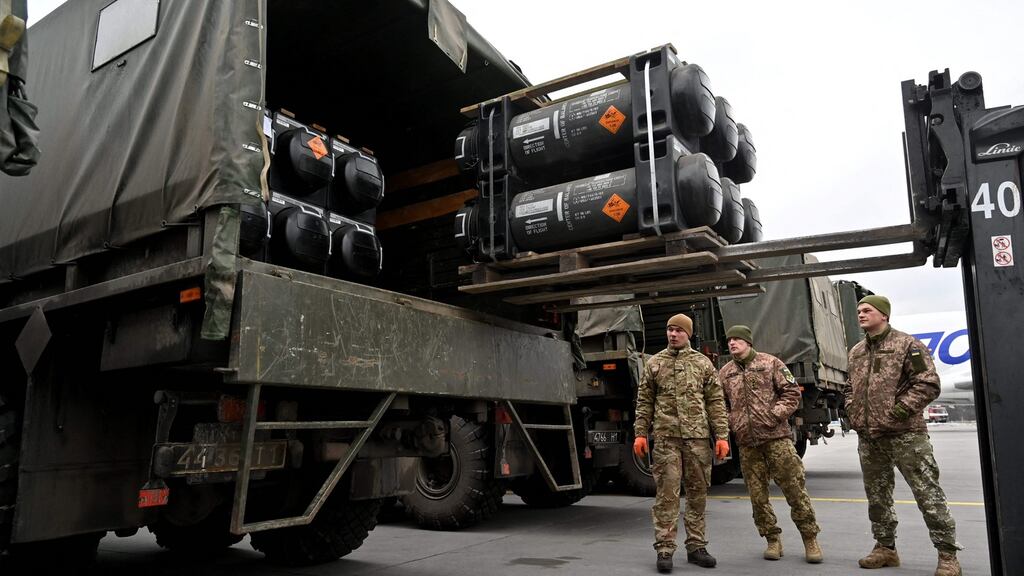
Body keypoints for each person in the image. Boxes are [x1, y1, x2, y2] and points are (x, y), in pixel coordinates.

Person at [844, 295, 961, 576]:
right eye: (859, 311)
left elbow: (928, 384)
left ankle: (947, 555)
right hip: (870, 438)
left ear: (883, 315)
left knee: (928, 494)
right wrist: (852, 410)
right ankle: (885, 548)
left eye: (867, 310)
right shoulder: (857, 351)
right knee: (877, 496)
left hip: (906, 435)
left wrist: (896, 412)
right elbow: (849, 387)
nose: (861, 314)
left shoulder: (907, 345)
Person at [633, 313, 730, 573]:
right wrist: (640, 433)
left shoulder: (703, 364)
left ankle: (696, 546)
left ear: (688, 334)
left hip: (697, 439)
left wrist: (722, 436)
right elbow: (644, 402)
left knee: (698, 494)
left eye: (678, 330)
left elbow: (716, 403)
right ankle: (664, 548)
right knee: (667, 495)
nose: (672, 334)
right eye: (669, 330)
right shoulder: (654, 364)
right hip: (666, 439)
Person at [718, 325, 823, 563]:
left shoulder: (770, 363)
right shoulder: (725, 373)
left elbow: (792, 392)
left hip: (776, 440)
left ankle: (810, 539)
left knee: (794, 489)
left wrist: (775, 415)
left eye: (737, 339)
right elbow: (719, 404)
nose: (732, 343)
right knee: (758, 497)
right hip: (747, 443)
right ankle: (772, 540)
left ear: (748, 342)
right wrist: (732, 422)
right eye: (730, 340)